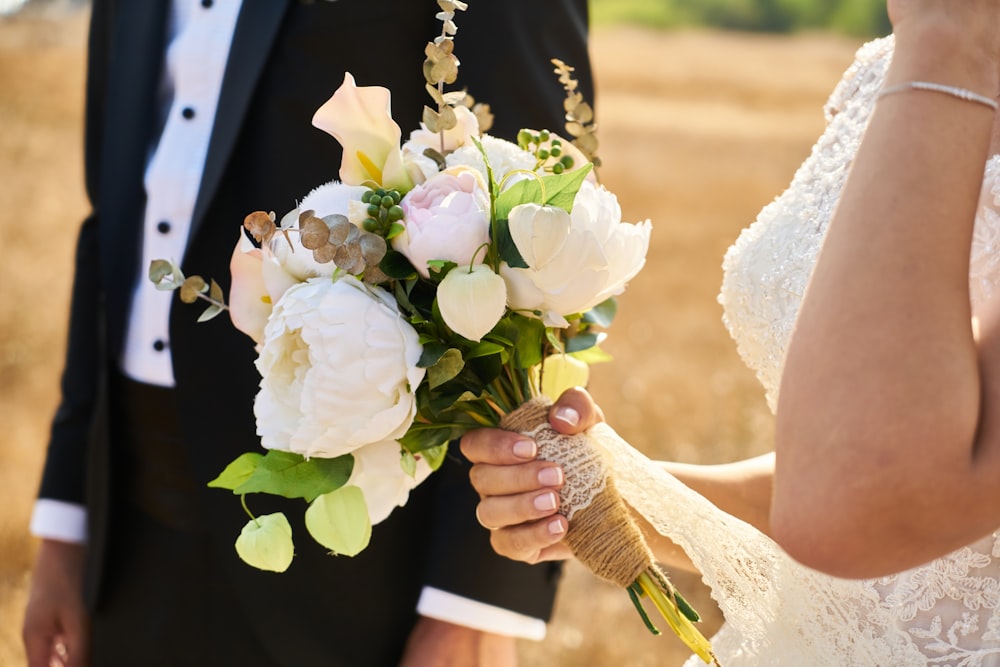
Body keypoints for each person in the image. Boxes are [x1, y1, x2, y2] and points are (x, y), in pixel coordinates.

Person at [21, 1, 593, 666]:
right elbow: (112, 221)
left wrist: (472, 607)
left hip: (358, 566)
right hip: (128, 537)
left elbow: (543, 242)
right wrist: (66, 524)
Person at [460, 1, 1000, 665]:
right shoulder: (898, 65)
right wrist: (621, 494)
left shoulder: (945, 44)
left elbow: (859, 496)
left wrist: (951, 38)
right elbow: (853, 461)